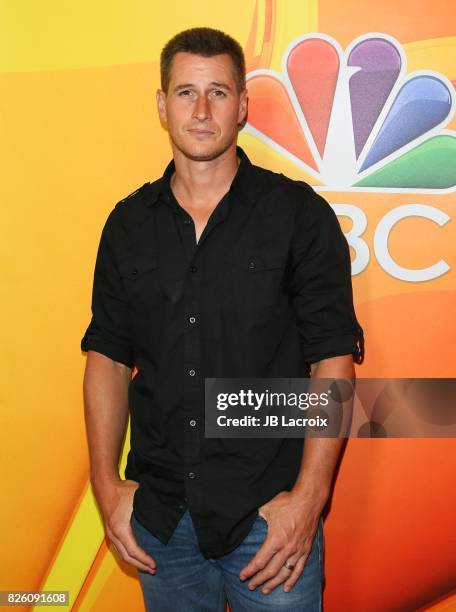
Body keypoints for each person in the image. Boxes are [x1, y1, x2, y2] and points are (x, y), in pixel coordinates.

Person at [81, 26, 364, 612]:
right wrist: (106, 488)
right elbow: (106, 357)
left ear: (242, 106)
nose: (202, 110)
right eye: (186, 92)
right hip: (161, 521)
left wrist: (307, 500)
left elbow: (331, 356)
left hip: (268, 518)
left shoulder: (297, 215)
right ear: (162, 105)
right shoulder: (128, 225)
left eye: (218, 92)